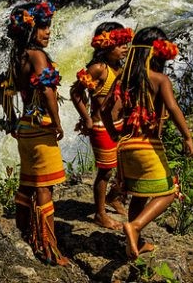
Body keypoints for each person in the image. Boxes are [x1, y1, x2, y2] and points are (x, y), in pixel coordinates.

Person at [101, 26, 193, 260]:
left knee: (139, 194)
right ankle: (134, 226)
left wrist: (114, 133)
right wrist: (187, 137)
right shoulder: (160, 79)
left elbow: (104, 110)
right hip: (146, 146)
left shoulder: (123, 78)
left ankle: (136, 241)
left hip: (125, 147)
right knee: (170, 192)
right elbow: (172, 109)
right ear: (157, 52)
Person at [0, 0, 70, 266]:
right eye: (42, 27)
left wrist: (12, 121)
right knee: (45, 188)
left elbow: (5, 92)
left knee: (27, 184)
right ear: (29, 30)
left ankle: (23, 231)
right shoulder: (37, 55)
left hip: (25, 126)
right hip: (40, 127)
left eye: (48, 26)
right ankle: (48, 246)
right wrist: (57, 122)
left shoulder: (18, 57)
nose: (48, 31)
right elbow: (48, 89)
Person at [70, 22, 133, 230]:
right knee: (105, 171)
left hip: (120, 124)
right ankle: (100, 214)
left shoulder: (121, 67)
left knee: (126, 164)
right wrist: (86, 119)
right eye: (119, 44)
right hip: (101, 126)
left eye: (126, 43)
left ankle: (113, 197)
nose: (125, 47)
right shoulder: (98, 69)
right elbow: (75, 93)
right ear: (105, 46)